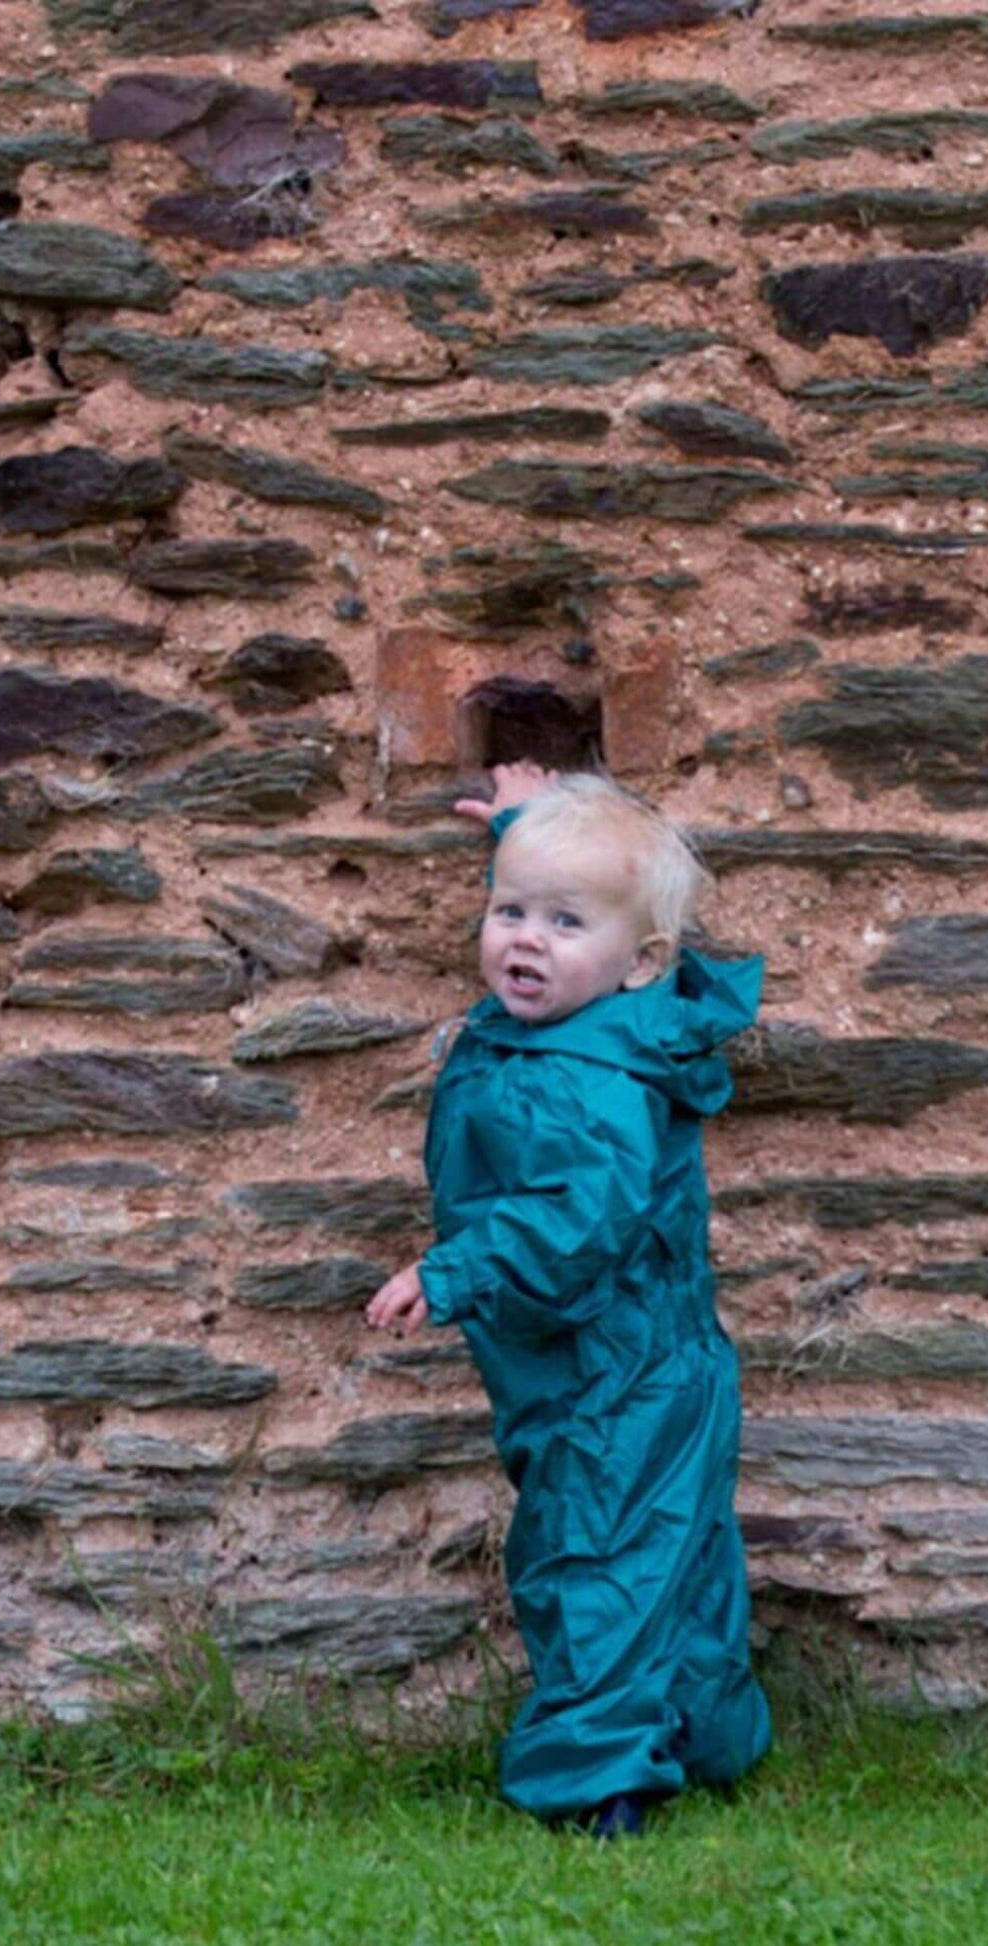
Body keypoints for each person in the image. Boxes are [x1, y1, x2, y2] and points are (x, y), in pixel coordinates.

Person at [364, 761, 771, 1837]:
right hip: (632, 1362)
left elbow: (574, 1223)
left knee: (590, 1564)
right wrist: (519, 826)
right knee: (667, 1558)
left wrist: (446, 1272)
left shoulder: (586, 1080)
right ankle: (705, 1735)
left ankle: (596, 1787)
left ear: (643, 963)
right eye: (508, 909)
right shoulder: (595, 1026)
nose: (524, 939)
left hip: (608, 1371)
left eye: (562, 921)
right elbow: (576, 903)